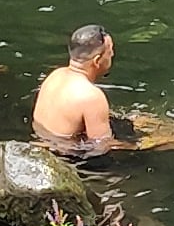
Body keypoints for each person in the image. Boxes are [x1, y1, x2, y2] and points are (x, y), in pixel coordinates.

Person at [34, 22, 117, 155]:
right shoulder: (92, 96)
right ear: (96, 61)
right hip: (66, 158)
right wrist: (145, 143)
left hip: (40, 146)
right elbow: (101, 147)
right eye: (110, 51)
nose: (112, 54)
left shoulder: (54, 76)